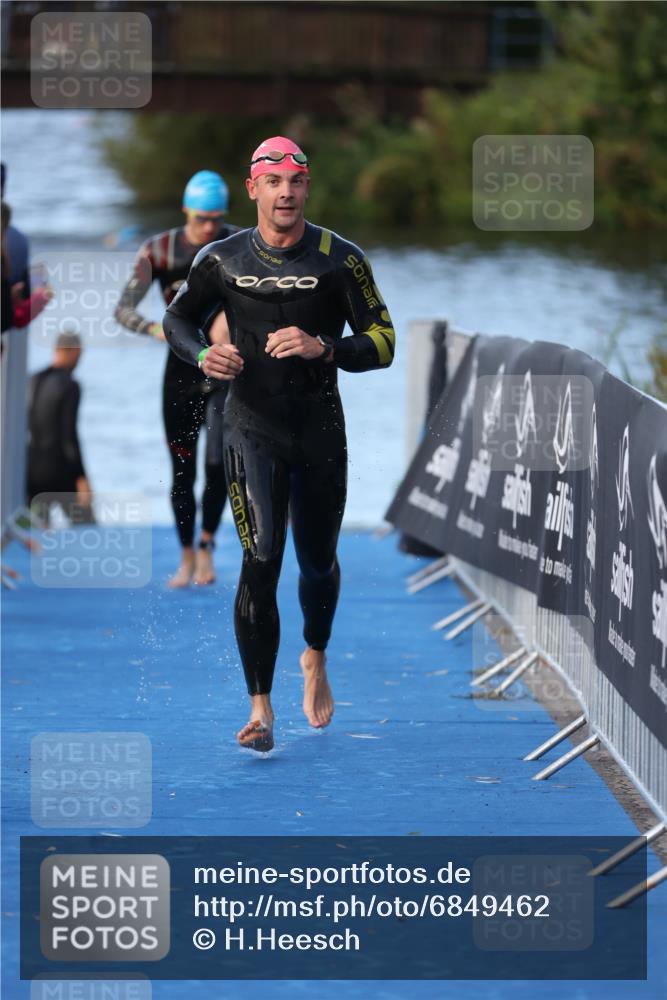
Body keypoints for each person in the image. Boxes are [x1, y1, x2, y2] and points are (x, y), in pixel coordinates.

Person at [164, 136, 395, 752]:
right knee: (261, 557)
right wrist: (204, 354)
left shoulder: (339, 260)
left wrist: (329, 348)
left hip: (318, 426)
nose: (285, 193)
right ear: (254, 189)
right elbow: (177, 320)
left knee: (317, 562)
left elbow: (385, 341)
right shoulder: (220, 258)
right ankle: (260, 709)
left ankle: (314, 656)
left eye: (295, 182)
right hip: (250, 427)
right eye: (273, 182)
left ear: (306, 188)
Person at [114, 170, 238, 587]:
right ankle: (185, 555)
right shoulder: (160, 251)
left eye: (217, 218)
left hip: (225, 371)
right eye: (203, 217)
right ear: (186, 209)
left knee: (219, 465)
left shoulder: (236, 245)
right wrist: (160, 331)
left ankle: (206, 548)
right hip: (180, 373)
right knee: (183, 469)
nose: (210, 227)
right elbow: (123, 309)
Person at [27, 331, 93, 525]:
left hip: (31, 469)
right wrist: (81, 478)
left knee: (39, 532)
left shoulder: (33, 380)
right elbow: (68, 436)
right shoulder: (70, 385)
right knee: (87, 530)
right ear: (74, 352)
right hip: (59, 471)